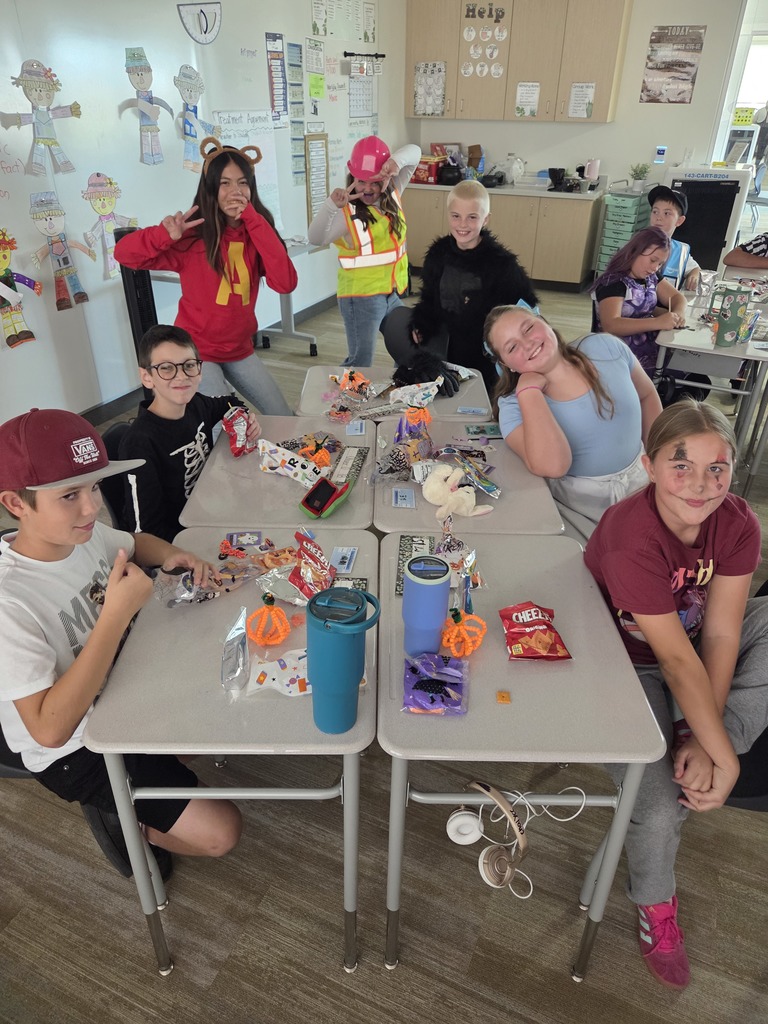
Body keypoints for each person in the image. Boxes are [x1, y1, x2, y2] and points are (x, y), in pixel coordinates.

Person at [0, 408, 242, 859]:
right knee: (221, 832)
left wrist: (174, 554)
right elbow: (49, 731)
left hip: (125, 681)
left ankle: (155, 775)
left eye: (94, 486)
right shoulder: (9, 600)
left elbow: (134, 541)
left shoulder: (80, 532)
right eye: (70, 494)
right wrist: (113, 617)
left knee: (224, 699)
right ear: (16, 504)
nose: (92, 507)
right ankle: (124, 822)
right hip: (77, 747)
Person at [584, 400, 768, 990]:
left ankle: (702, 748)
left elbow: (719, 631)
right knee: (659, 804)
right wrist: (728, 761)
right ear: (649, 465)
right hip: (620, 662)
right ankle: (656, 906)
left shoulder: (738, 521)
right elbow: (672, 661)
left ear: (734, 470)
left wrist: (703, 738)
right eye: (680, 465)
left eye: (718, 468)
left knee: (691, 749)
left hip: (686, 646)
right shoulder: (629, 536)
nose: (700, 483)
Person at [115, 136, 296, 415]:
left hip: (239, 349)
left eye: (243, 182)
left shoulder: (257, 231)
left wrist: (254, 220)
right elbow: (124, 254)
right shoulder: (193, 238)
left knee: (283, 416)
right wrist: (164, 235)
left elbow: (285, 283)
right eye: (225, 183)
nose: (235, 191)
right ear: (211, 189)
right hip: (197, 354)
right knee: (226, 427)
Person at [484, 302, 661, 539]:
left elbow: (647, 396)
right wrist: (529, 393)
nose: (527, 344)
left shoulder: (605, 347)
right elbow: (553, 466)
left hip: (646, 486)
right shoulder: (513, 405)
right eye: (512, 346)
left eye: (528, 328)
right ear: (506, 364)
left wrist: (660, 460)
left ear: (544, 321)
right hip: (579, 513)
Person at [382, 179, 538, 394]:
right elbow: (429, 299)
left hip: (483, 354)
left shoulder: (502, 264)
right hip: (444, 347)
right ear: (448, 215)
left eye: (472, 217)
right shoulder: (438, 255)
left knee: (478, 397)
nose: (462, 224)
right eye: (456, 216)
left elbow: (526, 309)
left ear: (486, 220)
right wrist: (421, 323)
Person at [118, 324, 261, 543]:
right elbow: (145, 534)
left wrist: (245, 419)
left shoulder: (196, 404)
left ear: (200, 370)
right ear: (147, 377)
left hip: (211, 508)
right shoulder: (139, 444)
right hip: (182, 539)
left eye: (189, 365)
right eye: (166, 368)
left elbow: (229, 402)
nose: (181, 376)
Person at [307, 135, 420, 367]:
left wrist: (395, 163)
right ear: (352, 178)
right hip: (360, 299)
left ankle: (403, 392)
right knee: (360, 361)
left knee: (408, 346)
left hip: (390, 294)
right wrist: (330, 206)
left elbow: (415, 153)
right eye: (361, 181)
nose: (368, 188)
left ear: (387, 179)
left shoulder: (394, 194)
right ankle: (336, 400)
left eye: (376, 181)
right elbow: (315, 238)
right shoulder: (346, 212)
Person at [591, 225, 687, 376]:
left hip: (648, 349)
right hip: (619, 356)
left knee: (695, 375)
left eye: (660, 264)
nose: (655, 267)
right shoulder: (613, 282)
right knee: (693, 381)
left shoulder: (650, 277)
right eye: (653, 260)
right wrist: (657, 322)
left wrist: (677, 315)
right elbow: (611, 324)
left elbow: (677, 297)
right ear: (635, 251)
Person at [647, 184, 701, 292]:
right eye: (655, 212)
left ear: (679, 221)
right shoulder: (637, 246)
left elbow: (695, 268)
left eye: (666, 213)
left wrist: (694, 276)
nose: (659, 217)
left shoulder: (680, 250)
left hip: (670, 305)